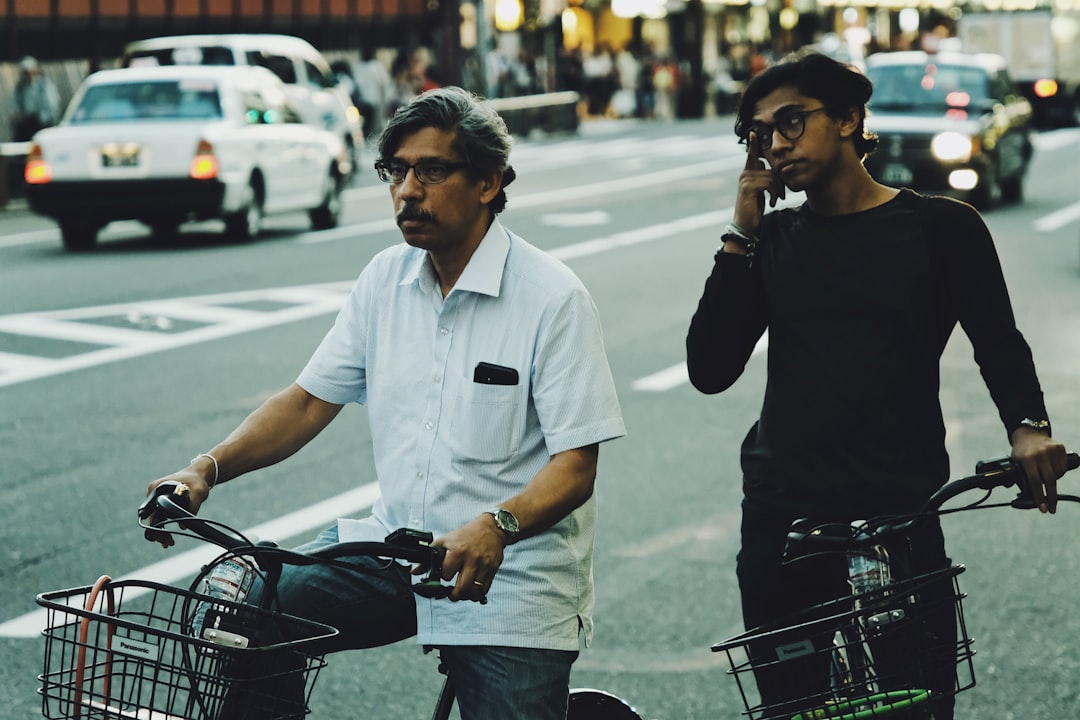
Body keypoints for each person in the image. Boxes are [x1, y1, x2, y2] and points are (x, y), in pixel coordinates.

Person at [146, 85, 625, 719]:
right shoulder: (384, 280)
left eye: (432, 170)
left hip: (510, 575)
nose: (407, 190)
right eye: (395, 171)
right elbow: (308, 403)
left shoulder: (552, 298)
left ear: (488, 182)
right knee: (248, 612)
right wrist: (205, 469)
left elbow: (576, 465)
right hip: (392, 552)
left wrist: (497, 525)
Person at [686, 50, 1069, 720]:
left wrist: (1029, 427)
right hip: (786, 520)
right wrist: (740, 232)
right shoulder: (771, 240)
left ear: (848, 119)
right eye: (757, 133)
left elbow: (998, 343)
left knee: (917, 708)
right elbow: (710, 370)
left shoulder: (942, 228)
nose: (774, 143)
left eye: (791, 122)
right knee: (793, 710)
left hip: (898, 512)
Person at [12, 56, 61, 142]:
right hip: (26, 122)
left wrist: (46, 119)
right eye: (24, 73)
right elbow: (16, 104)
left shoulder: (44, 85)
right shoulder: (20, 87)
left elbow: (52, 104)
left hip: (42, 121)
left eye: (28, 72)